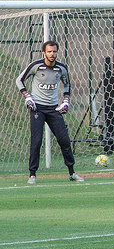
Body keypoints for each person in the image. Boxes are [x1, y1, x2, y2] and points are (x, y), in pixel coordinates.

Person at [16, 40, 85, 185]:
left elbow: (67, 84)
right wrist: (27, 96)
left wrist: (66, 101)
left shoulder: (61, 68)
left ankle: (72, 172)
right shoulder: (36, 66)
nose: (52, 54)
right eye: (49, 51)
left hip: (53, 109)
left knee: (64, 140)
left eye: (54, 51)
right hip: (37, 108)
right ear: (44, 53)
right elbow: (19, 80)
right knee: (36, 141)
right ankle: (32, 174)